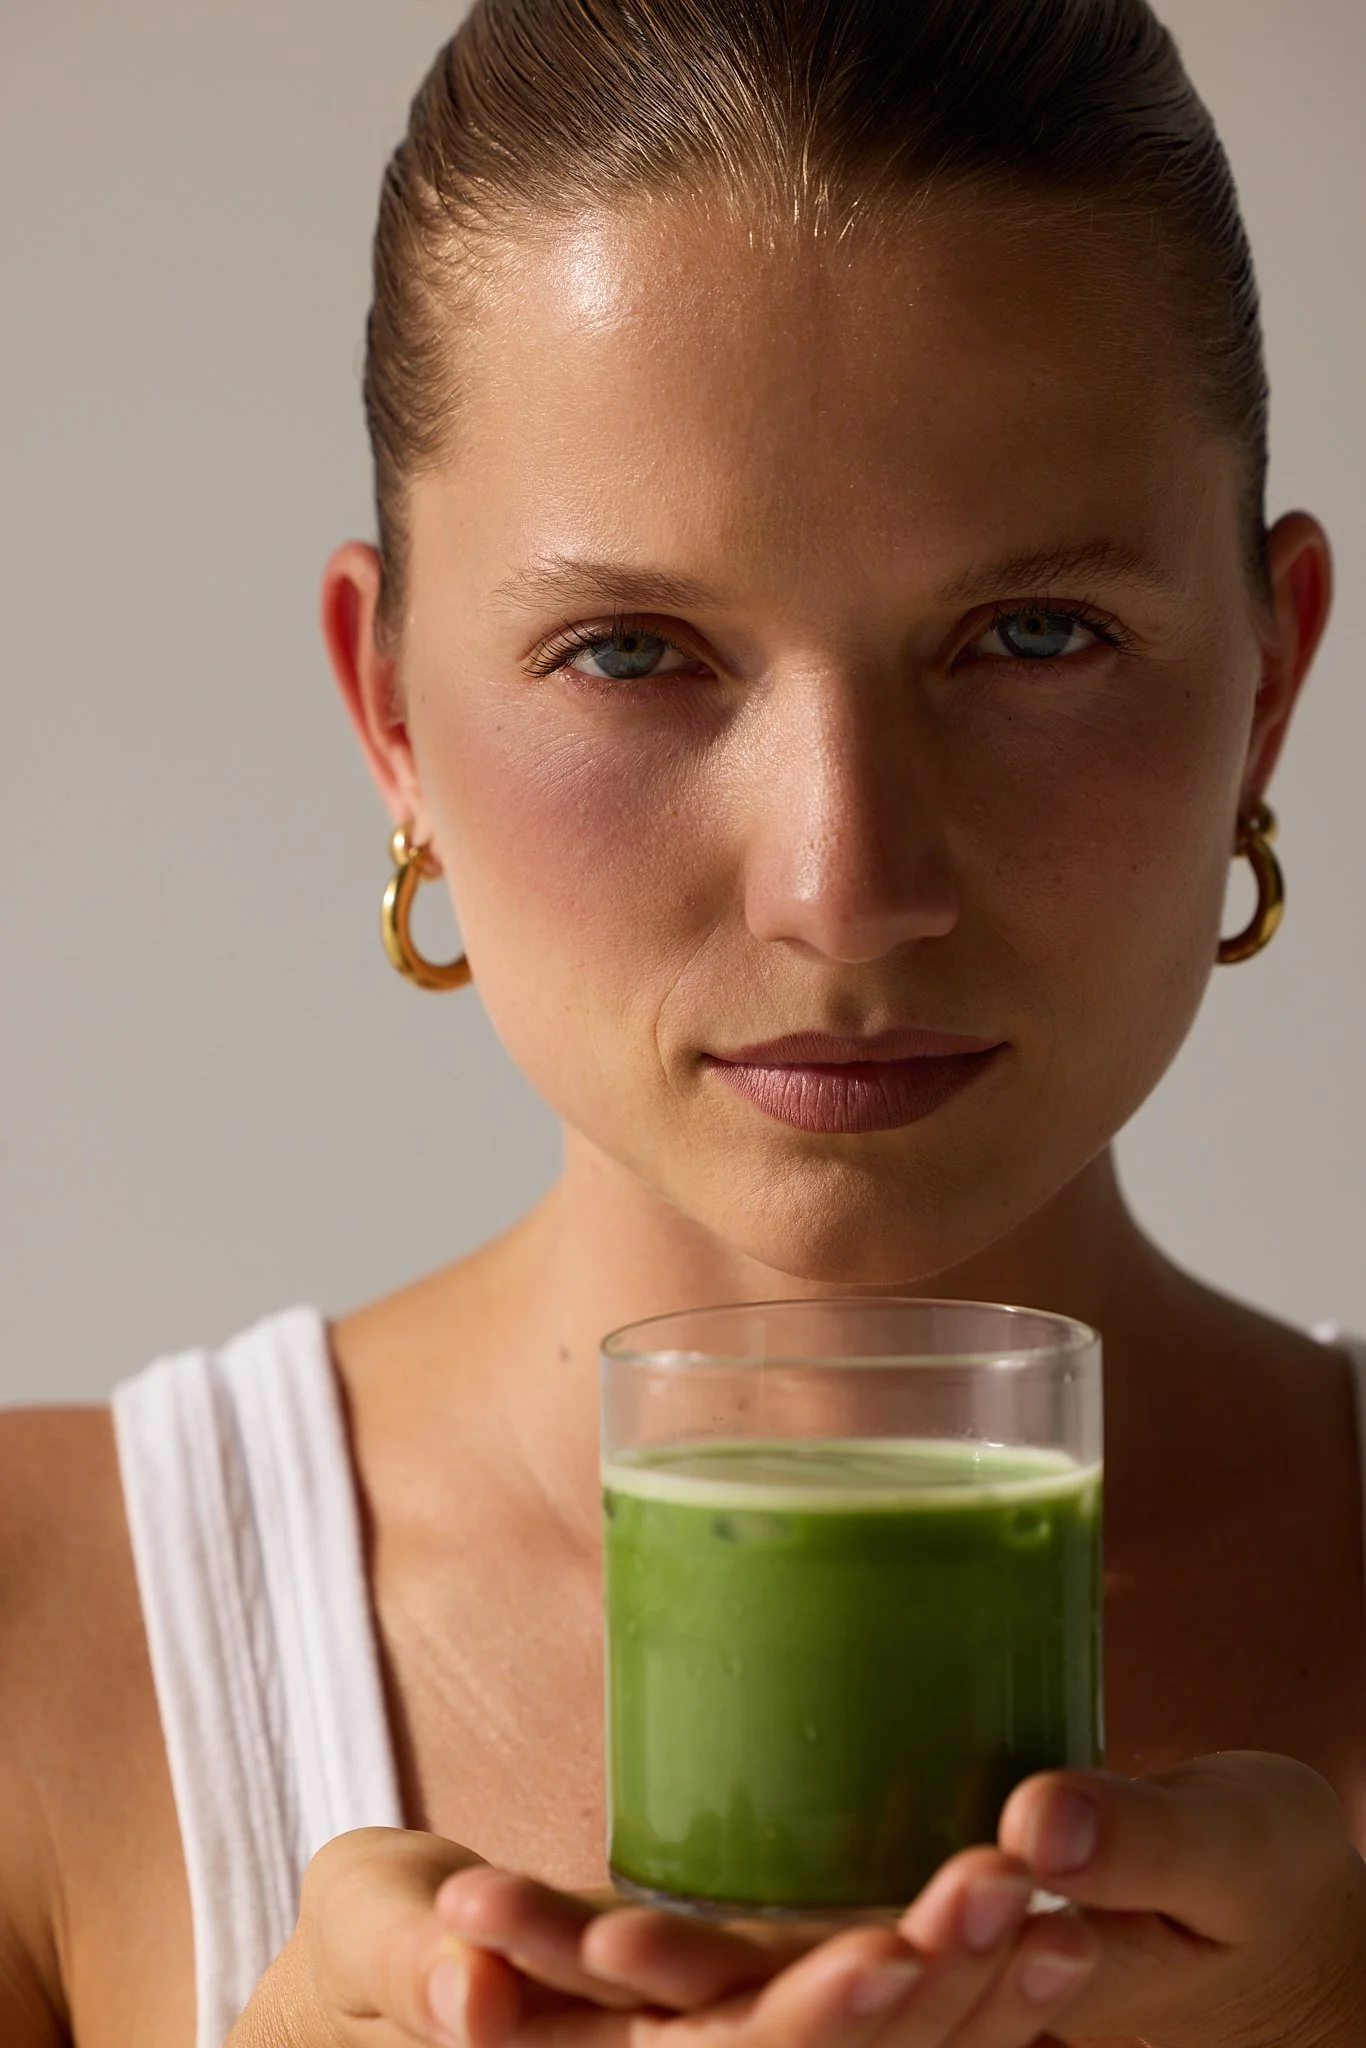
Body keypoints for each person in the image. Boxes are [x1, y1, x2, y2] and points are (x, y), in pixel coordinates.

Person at [3, 0, 1364, 2042]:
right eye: (630, 649)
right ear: (390, 715)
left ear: (1262, 687)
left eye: (1031, 633)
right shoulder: (43, 1650)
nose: (842, 878)